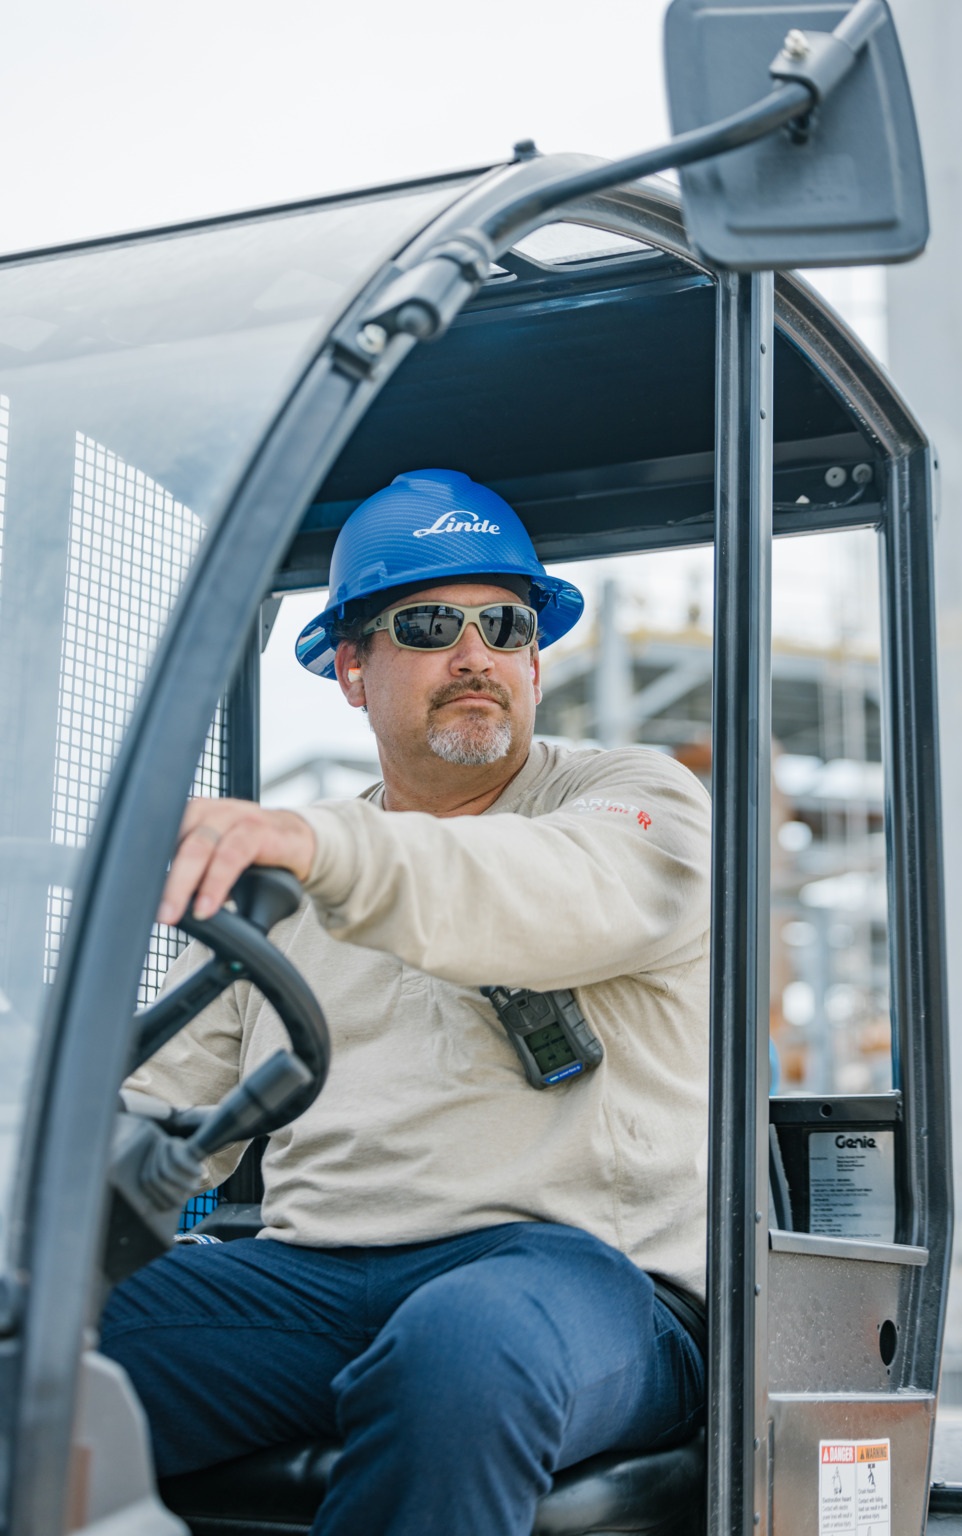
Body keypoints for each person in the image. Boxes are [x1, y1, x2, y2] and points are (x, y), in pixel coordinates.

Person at [100, 467, 712, 1536]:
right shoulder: (290, 881)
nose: (475, 654)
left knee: (459, 1355)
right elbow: (156, 1106)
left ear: (532, 657)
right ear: (350, 667)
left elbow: (546, 887)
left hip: (574, 1280)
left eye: (503, 625)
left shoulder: (630, 804)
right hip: (311, 1277)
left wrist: (322, 847)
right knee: (45, 1336)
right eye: (430, 624)